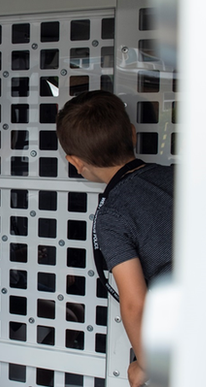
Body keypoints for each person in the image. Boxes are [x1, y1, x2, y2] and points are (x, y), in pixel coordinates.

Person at [55, 90, 174, 387]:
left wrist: (145, 364)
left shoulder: (112, 216)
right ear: (132, 134)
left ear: (74, 161)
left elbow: (135, 303)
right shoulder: (177, 176)